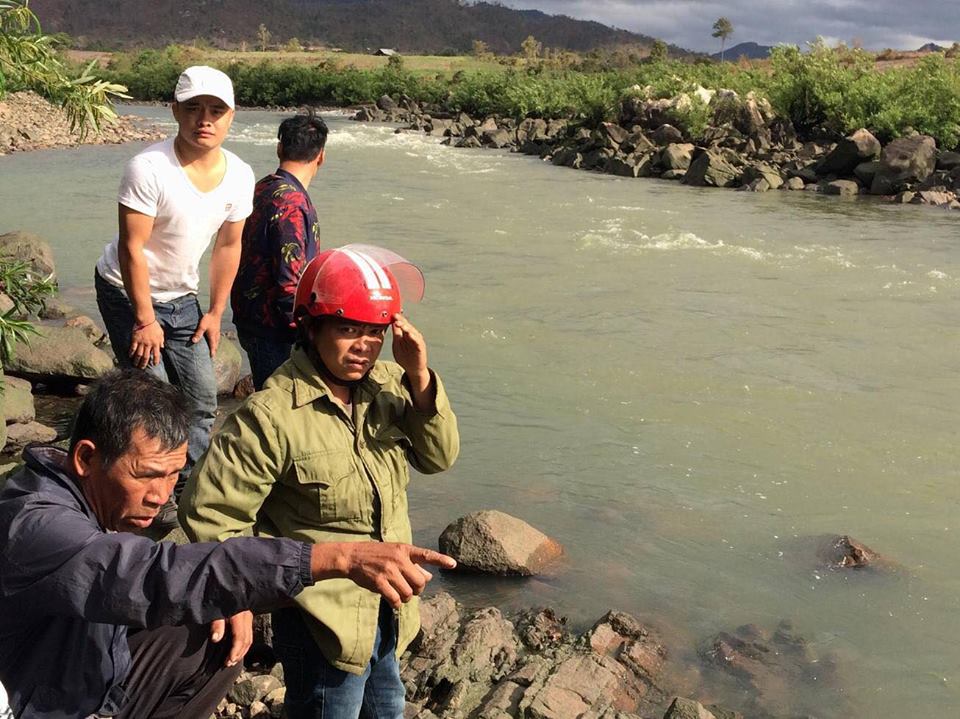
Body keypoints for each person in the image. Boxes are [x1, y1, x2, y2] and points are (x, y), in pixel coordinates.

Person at [0, 370, 454, 719]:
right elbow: (148, 577)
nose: (161, 496)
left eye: (174, 475)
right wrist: (332, 556)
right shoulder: (38, 526)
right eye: (147, 475)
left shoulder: (99, 502)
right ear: (85, 457)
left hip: (81, 671)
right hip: (31, 699)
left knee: (213, 628)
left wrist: (231, 594)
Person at [180, 245, 460, 719]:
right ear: (312, 328)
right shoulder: (273, 415)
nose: (364, 346)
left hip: (389, 608)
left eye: (375, 332)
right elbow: (209, 514)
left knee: (387, 708)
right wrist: (237, 599)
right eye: (348, 329)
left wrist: (419, 375)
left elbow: (438, 457)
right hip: (320, 620)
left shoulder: (391, 385)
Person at [94, 65, 255, 524]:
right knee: (155, 394)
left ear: (231, 117)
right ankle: (138, 485)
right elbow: (132, 249)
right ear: (175, 112)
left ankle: (182, 482)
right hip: (128, 291)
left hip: (183, 299)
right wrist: (144, 319)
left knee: (204, 399)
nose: (204, 119)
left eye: (216, 110)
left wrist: (216, 312)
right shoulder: (148, 168)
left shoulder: (240, 175)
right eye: (193, 108)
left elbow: (229, 245)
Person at [232, 113, 328, 390]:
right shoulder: (292, 203)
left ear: (279, 148)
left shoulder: (262, 187)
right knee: (279, 410)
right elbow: (290, 283)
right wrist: (310, 335)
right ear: (321, 156)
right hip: (274, 329)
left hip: (251, 317)